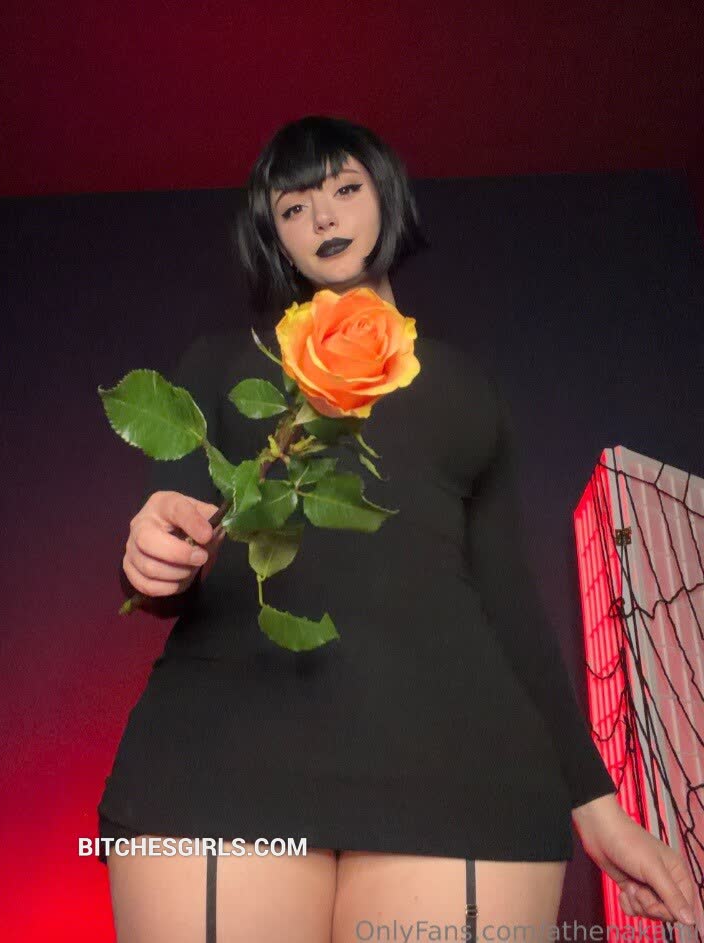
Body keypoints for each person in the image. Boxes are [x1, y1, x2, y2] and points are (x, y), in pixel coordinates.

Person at [99, 116, 696, 942]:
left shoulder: (467, 388)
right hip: (223, 748)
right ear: (273, 233)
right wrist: (151, 558)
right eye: (294, 207)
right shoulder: (220, 364)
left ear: (385, 194)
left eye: (345, 189)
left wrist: (599, 807)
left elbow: (511, 605)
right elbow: (166, 548)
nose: (324, 216)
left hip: (462, 760)